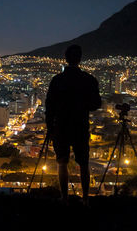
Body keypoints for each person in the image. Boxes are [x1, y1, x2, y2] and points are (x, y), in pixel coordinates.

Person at [45, 44, 101, 206]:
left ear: (66, 59)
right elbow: (96, 103)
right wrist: (82, 106)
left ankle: (64, 198)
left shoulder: (57, 80)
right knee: (83, 163)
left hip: (61, 126)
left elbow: (50, 107)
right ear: (80, 59)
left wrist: (50, 128)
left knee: (62, 162)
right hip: (80, 125)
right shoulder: (89, 80)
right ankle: (85, 198)